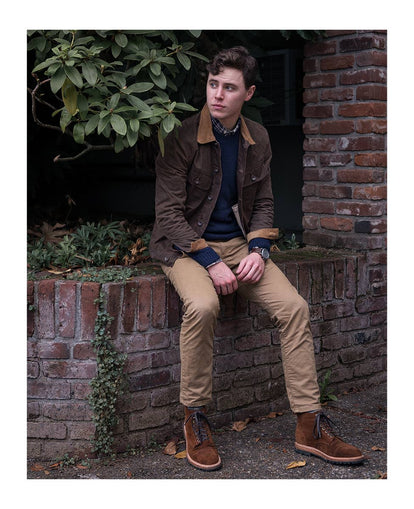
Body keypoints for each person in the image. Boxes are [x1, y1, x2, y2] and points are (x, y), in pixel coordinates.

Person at [149, 46, 363, 471]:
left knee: (295, 308)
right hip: (185, 248)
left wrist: (259, 249)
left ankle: (308, 423)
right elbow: (168, 216)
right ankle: (195, 417)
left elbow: (264, 203)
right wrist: (211, 259)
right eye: (213, 85)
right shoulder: (183, 136)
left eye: (229, 88)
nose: (218, 95)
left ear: (247, 93)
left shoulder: (257, 137)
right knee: (204, 304)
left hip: (240, 247)